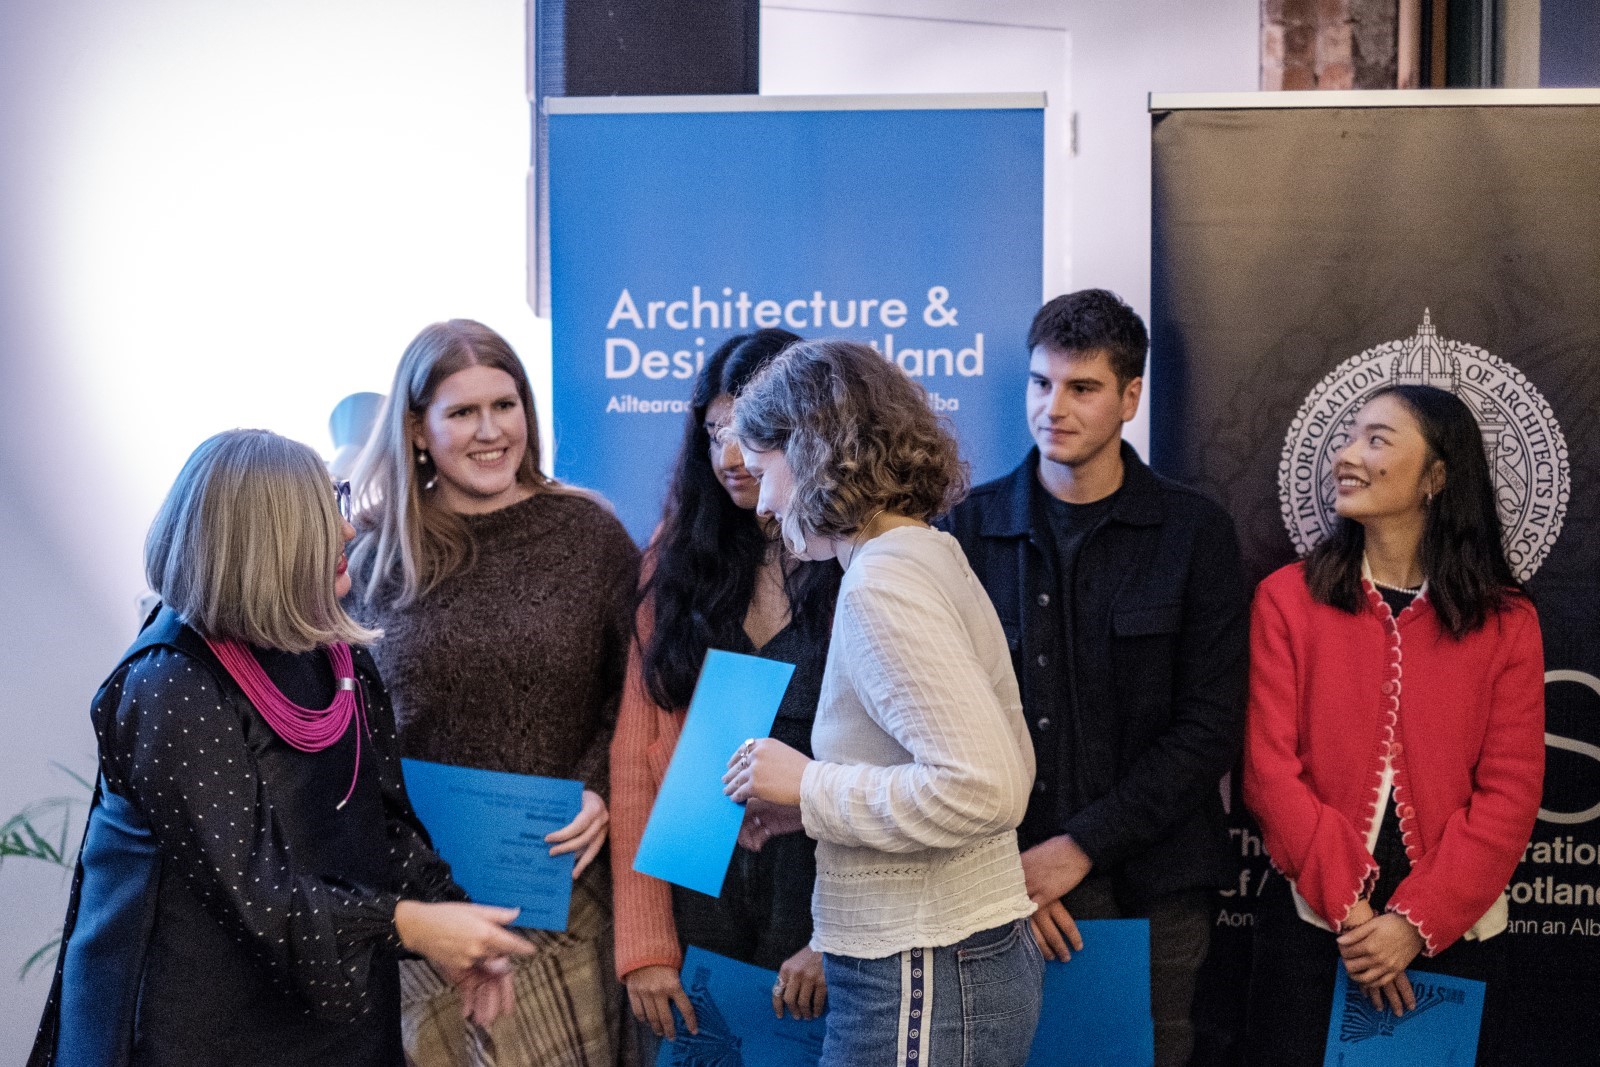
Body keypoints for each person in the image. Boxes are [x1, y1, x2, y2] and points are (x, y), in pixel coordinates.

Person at [29, 429, 533, 1067]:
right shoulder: (170, 684)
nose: (349, 533)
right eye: (327, 519)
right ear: (266, 544)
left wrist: (459, 927)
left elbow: (382, 827)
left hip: (329, 1015)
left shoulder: (335, 649)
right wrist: (411, 925)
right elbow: (258, 896)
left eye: (340, 504)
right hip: (195, 1028)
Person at [940, 288, 1248, 1067]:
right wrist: (1014, 869)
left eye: (1082, 388)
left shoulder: (1194, 531)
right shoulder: (965, 529)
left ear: (1130, 397)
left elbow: (1209, 724)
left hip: (1155, 891)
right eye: (1042, 383)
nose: (1055, 408)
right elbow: (937, 718)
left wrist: (1077, 847)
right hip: (994, 884)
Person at [723, 339, 1042, 1067]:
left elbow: (984, 787)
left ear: (811, 453)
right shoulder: (919, 554)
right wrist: (809, 804)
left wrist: (808, 783)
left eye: (765, 469)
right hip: (939, 962)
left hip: (924, 967)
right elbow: (987, 765)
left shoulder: (884, 580)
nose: (765, 502)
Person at [347, 319, 640, 1066]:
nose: (490, 431)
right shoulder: (374, 560)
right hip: (426, 914)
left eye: (504, 406)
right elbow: (350, 729)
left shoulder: (587, 534)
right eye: (462, 412)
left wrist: (601, 785)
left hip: (561, 890)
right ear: (417, 429)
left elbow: (641, 691)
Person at [1242, 384, 1545, 1066]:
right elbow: (1268, 773)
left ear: (1437, 476)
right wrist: (1357, 920)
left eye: (1377, 439)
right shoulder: (1286, 599)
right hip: (1314, 925)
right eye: (1349, 437)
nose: (1348, 454)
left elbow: (1511, 793)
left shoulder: (1507, 621)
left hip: (1454, 932)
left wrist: (1412, 924)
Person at [610, 329, 841, 1048]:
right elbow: (635, 759)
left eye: (748, 432)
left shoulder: (866, 560)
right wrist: (647, 946)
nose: (730, 457)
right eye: (713, 435)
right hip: (697, 883)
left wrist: (841, 934)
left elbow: (906, 770)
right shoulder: (679, 555)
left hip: (825, 893)